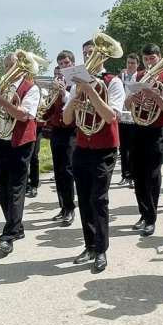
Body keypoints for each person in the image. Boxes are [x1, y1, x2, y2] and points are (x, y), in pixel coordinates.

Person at [63, 39, 125, 271]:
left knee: (99, 200)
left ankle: (101, 250)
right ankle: (89, 245)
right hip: (82, 147)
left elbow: (111, 117)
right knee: (85, 199)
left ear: (105, 57)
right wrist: (74, 104)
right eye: (86, 53)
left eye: (93, 53)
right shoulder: (75, 84)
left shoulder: (113, 82)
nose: (89, 57)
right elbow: (68, 119)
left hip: (104, 149)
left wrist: (92, 92)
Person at [0, 52, 40, 254]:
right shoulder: (1, 87)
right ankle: (17, 227)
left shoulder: (31, 88)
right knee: (2, 189)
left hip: (21, 142)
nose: (7, 69)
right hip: (1, 140)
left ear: (23, 68)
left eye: (12, 66)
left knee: (16, 188)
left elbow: (23, 115)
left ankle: (7, 236)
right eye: (6, 66)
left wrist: (1, 101)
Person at [125, 44, 163, 236]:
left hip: (157, 131)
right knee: (138, 174)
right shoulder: (137, 77)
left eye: (152, 59)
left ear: (159, 58)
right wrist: (134, 99)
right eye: (146, 59)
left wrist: (156, 97)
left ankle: (151, 218)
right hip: (139, 128)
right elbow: (126, 102)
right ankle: (143, 213)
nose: (149, 63)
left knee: (152, 174)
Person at [41, 51, 78, 225]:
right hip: (57, 130)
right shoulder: (59, 84)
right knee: (58, 170)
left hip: (72, 130)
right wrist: (42, 110)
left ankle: (70, 208)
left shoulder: (77, 83)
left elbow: (75, 104)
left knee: (68, 169)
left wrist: (64, 93)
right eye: (61, 64)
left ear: (73, 63)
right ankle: (63, 207)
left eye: (66, 63)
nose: (64, 66)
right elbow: (50, 109)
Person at [117, 53, 139, 187]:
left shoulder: (140, 77)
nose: (130, 65)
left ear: (137, 64)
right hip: (122, 115)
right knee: (123, 148)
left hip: (134, 116)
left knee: (133, 147)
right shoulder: (120, 77)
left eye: (133, 63)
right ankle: (125, 174)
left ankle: (133, 174)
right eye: (128, 63)